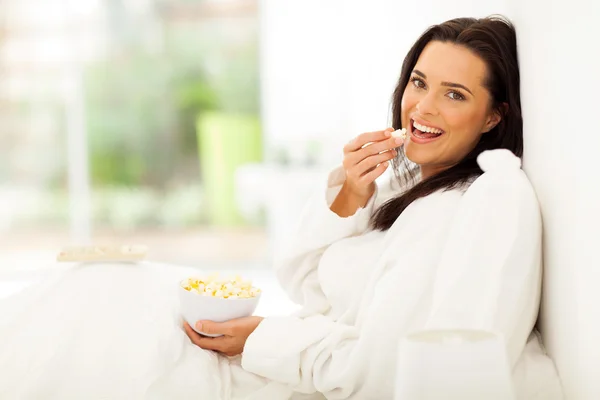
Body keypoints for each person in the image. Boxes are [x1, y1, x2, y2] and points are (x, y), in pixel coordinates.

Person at [0, 15, 563, 400]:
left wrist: (263, 339)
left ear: (495, 116)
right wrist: (350, 194)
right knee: (96, 286)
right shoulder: (410, 184)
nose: (423, 105)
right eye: (419, 82)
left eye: (455, 94)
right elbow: (304, 284)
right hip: (279, 350)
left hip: (280, 369)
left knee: (91, 309)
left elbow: (378, 366)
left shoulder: (471, 203)